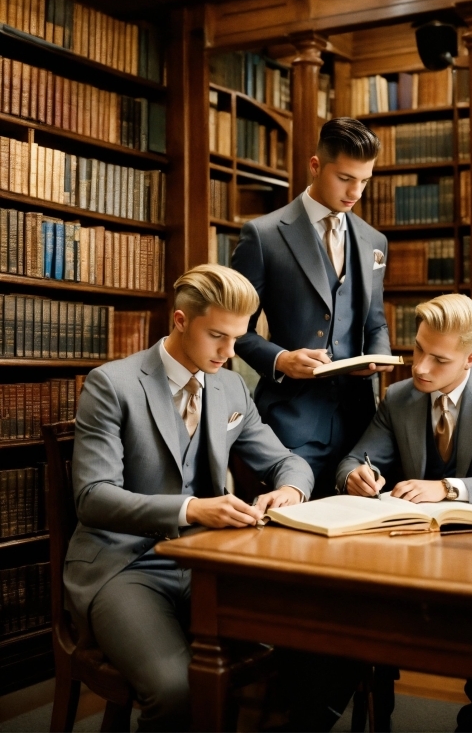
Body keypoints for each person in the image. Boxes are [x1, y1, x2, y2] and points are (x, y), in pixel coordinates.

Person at [63, 264, 314, 732]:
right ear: (180, 320)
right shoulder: (112, 384)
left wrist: (289, 490)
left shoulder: (231, 385)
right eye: (218, 335)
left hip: (210, 563)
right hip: (124, 566)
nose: (230, 352)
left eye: (238, 338)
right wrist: (192, 508)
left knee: (311, 650)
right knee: (177, 689)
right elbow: (94, 498)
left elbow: (288, 461)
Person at [336, 293, 472, 733]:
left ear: (471, 357)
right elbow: (352, 460)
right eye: (417, 348)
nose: (419, 367)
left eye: (439, 359)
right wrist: (355, 475)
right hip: (411, 555)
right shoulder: (398, 397)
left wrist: (447, 488)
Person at [232, 117, 393, 499]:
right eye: (345, 178)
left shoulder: (374, 240)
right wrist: (282, 360)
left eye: (365, 180)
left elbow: (375, 322)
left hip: (359, 427)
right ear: (316, 165)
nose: (356, 191)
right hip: (290, 424)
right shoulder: (264, 235)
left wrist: (380, 355)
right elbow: (236, 331)